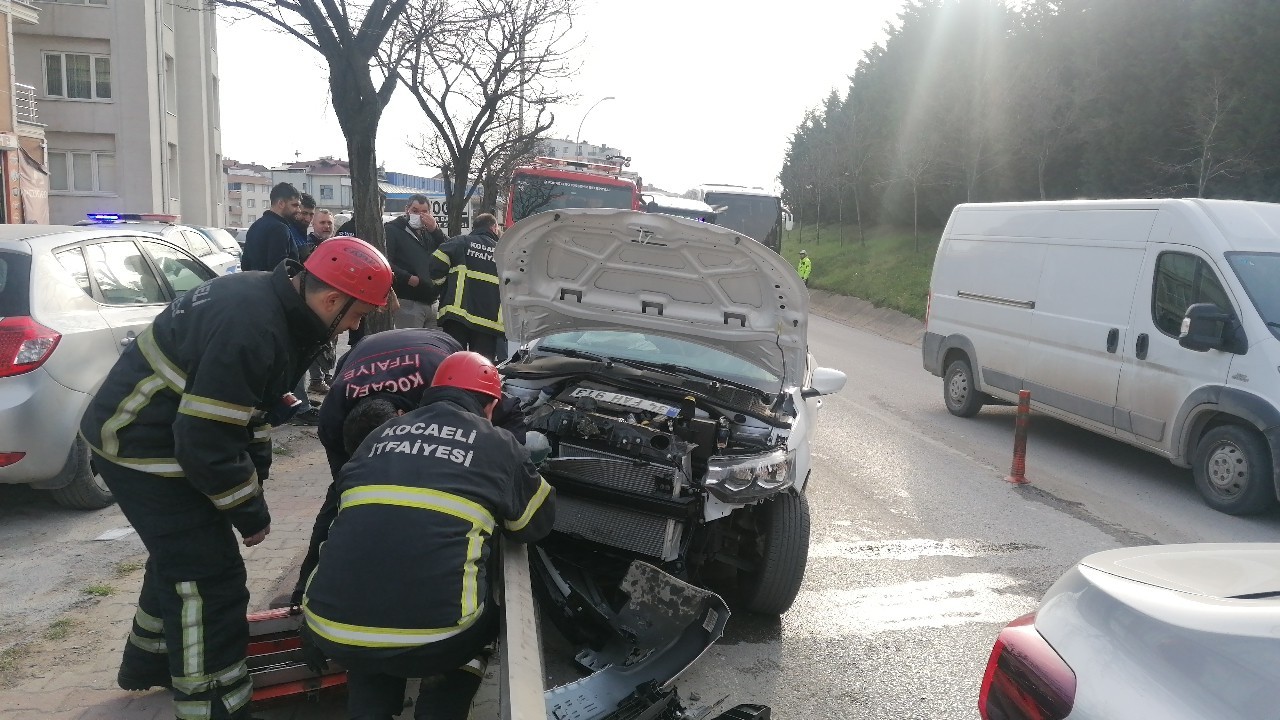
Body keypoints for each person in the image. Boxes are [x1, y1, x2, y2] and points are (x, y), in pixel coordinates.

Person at [79, 237, 394, 720]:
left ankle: (152, 660)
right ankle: (214, 702)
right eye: (357, 315)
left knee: (180, 553)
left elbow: (246, 414)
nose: (355, 325)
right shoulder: (255, 328)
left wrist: (254, 479)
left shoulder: (272, 302)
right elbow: (205, 440)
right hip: (142, 444)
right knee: (211, 575)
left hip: (159, 433)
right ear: (332, 299)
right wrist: (249, 513)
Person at [302, 352, 554, 720]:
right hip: (437, 640)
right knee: (485, 606)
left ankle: (369, 710)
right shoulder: (498, 442)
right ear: (490, 404)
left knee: (371, 627)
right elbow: (533, 526)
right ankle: (439, 708)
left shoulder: (378, 435)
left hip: (329, 627)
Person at [279, 327, 530, 607]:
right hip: (361, 354)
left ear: (402, 418)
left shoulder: (440, 382)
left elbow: (506, 410)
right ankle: (301, 593)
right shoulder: (331, 420)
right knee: (342, 498)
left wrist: (514, 472)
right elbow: (345, 489)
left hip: (432, 351)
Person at [430, 213, 504, 361]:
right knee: (480, 368)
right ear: (494, 228)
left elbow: (435, 263)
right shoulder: (502, 253)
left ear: (474, 227)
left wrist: (441, 285)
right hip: (488, 323)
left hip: (457, 318)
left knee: (454, 363)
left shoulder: (460, 242)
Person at [386, 194, 447, 330]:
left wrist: (435, 230)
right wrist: (408, 278)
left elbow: (449, 249)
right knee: (411, 345)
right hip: (409, 301)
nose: (419, 215)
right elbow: (386, 262)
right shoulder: (393, 230)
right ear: (407, 209)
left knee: (433, 347)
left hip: (432, 301)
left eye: (424, 212)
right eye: (415, 211)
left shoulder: (429, 232)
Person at [306, 209, 339, 395]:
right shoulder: (306, 246)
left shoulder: (337, 245)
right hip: (313, 302)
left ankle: (326, 375)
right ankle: (316, 380)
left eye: (329, 223)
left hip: (333, 301)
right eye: (322, 223)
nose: (326, 226)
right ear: (314, 224)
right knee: (315, 343)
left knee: (331, 342)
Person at [241, 182, 302, 272]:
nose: (299, 210)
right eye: (295, 205)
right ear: (281, 203)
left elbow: (245, 264)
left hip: (253, 283)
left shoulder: (255, 225)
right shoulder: (280, 228)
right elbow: (279, 270)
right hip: (272, 285)